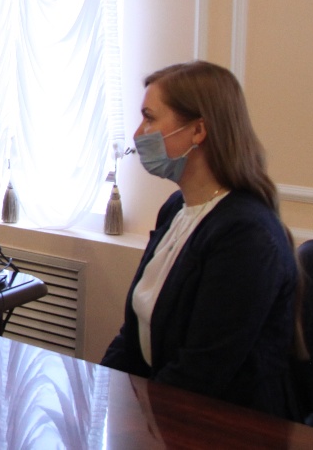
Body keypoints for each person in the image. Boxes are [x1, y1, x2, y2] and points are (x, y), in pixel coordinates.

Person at [100, 61, 300, 419]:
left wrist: (135, 422)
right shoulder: (176, 208)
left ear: (198, 131)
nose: (138, 134)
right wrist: (99, 395)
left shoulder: (246, 235)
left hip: (228, 427)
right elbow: (133, 335)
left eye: (149, 118)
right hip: (166, 411)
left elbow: (202, 372)